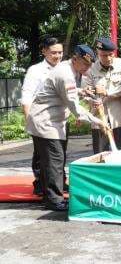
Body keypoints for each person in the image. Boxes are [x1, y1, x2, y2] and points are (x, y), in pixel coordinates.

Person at [26, 45, 106, 211]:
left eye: (89, 65)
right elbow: (75, 107)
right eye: (85, 64)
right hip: (46, 122)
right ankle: (54, 200)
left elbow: (62, 92)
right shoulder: (65, 74)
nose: (87, 68)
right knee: (55, 160)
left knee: (51, 160)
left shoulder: (67, 69)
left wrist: (82, 92)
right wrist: (98, 121)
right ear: (75, 59)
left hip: (50, 121)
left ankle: (48, 193)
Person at [21, 37, 63, 196]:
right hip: (41, 118)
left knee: (59, 154)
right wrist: (29, 119)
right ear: (44, 51)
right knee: (41, 154)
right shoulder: (35, 70)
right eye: (53, 52)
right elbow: (27, 95)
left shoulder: (64, 68)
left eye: (60, 52)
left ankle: (57, 181)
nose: (57, 56)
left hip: (59, 119)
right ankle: (40, 183)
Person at [82, 38, 121, 154]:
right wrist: (91, 100)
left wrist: (106, 92)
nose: (108, 58)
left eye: (111, 54)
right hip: (100, 118)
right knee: (100, 154)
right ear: (98, 53)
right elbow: (86, 92)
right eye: (104, 55)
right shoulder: (90, 69)